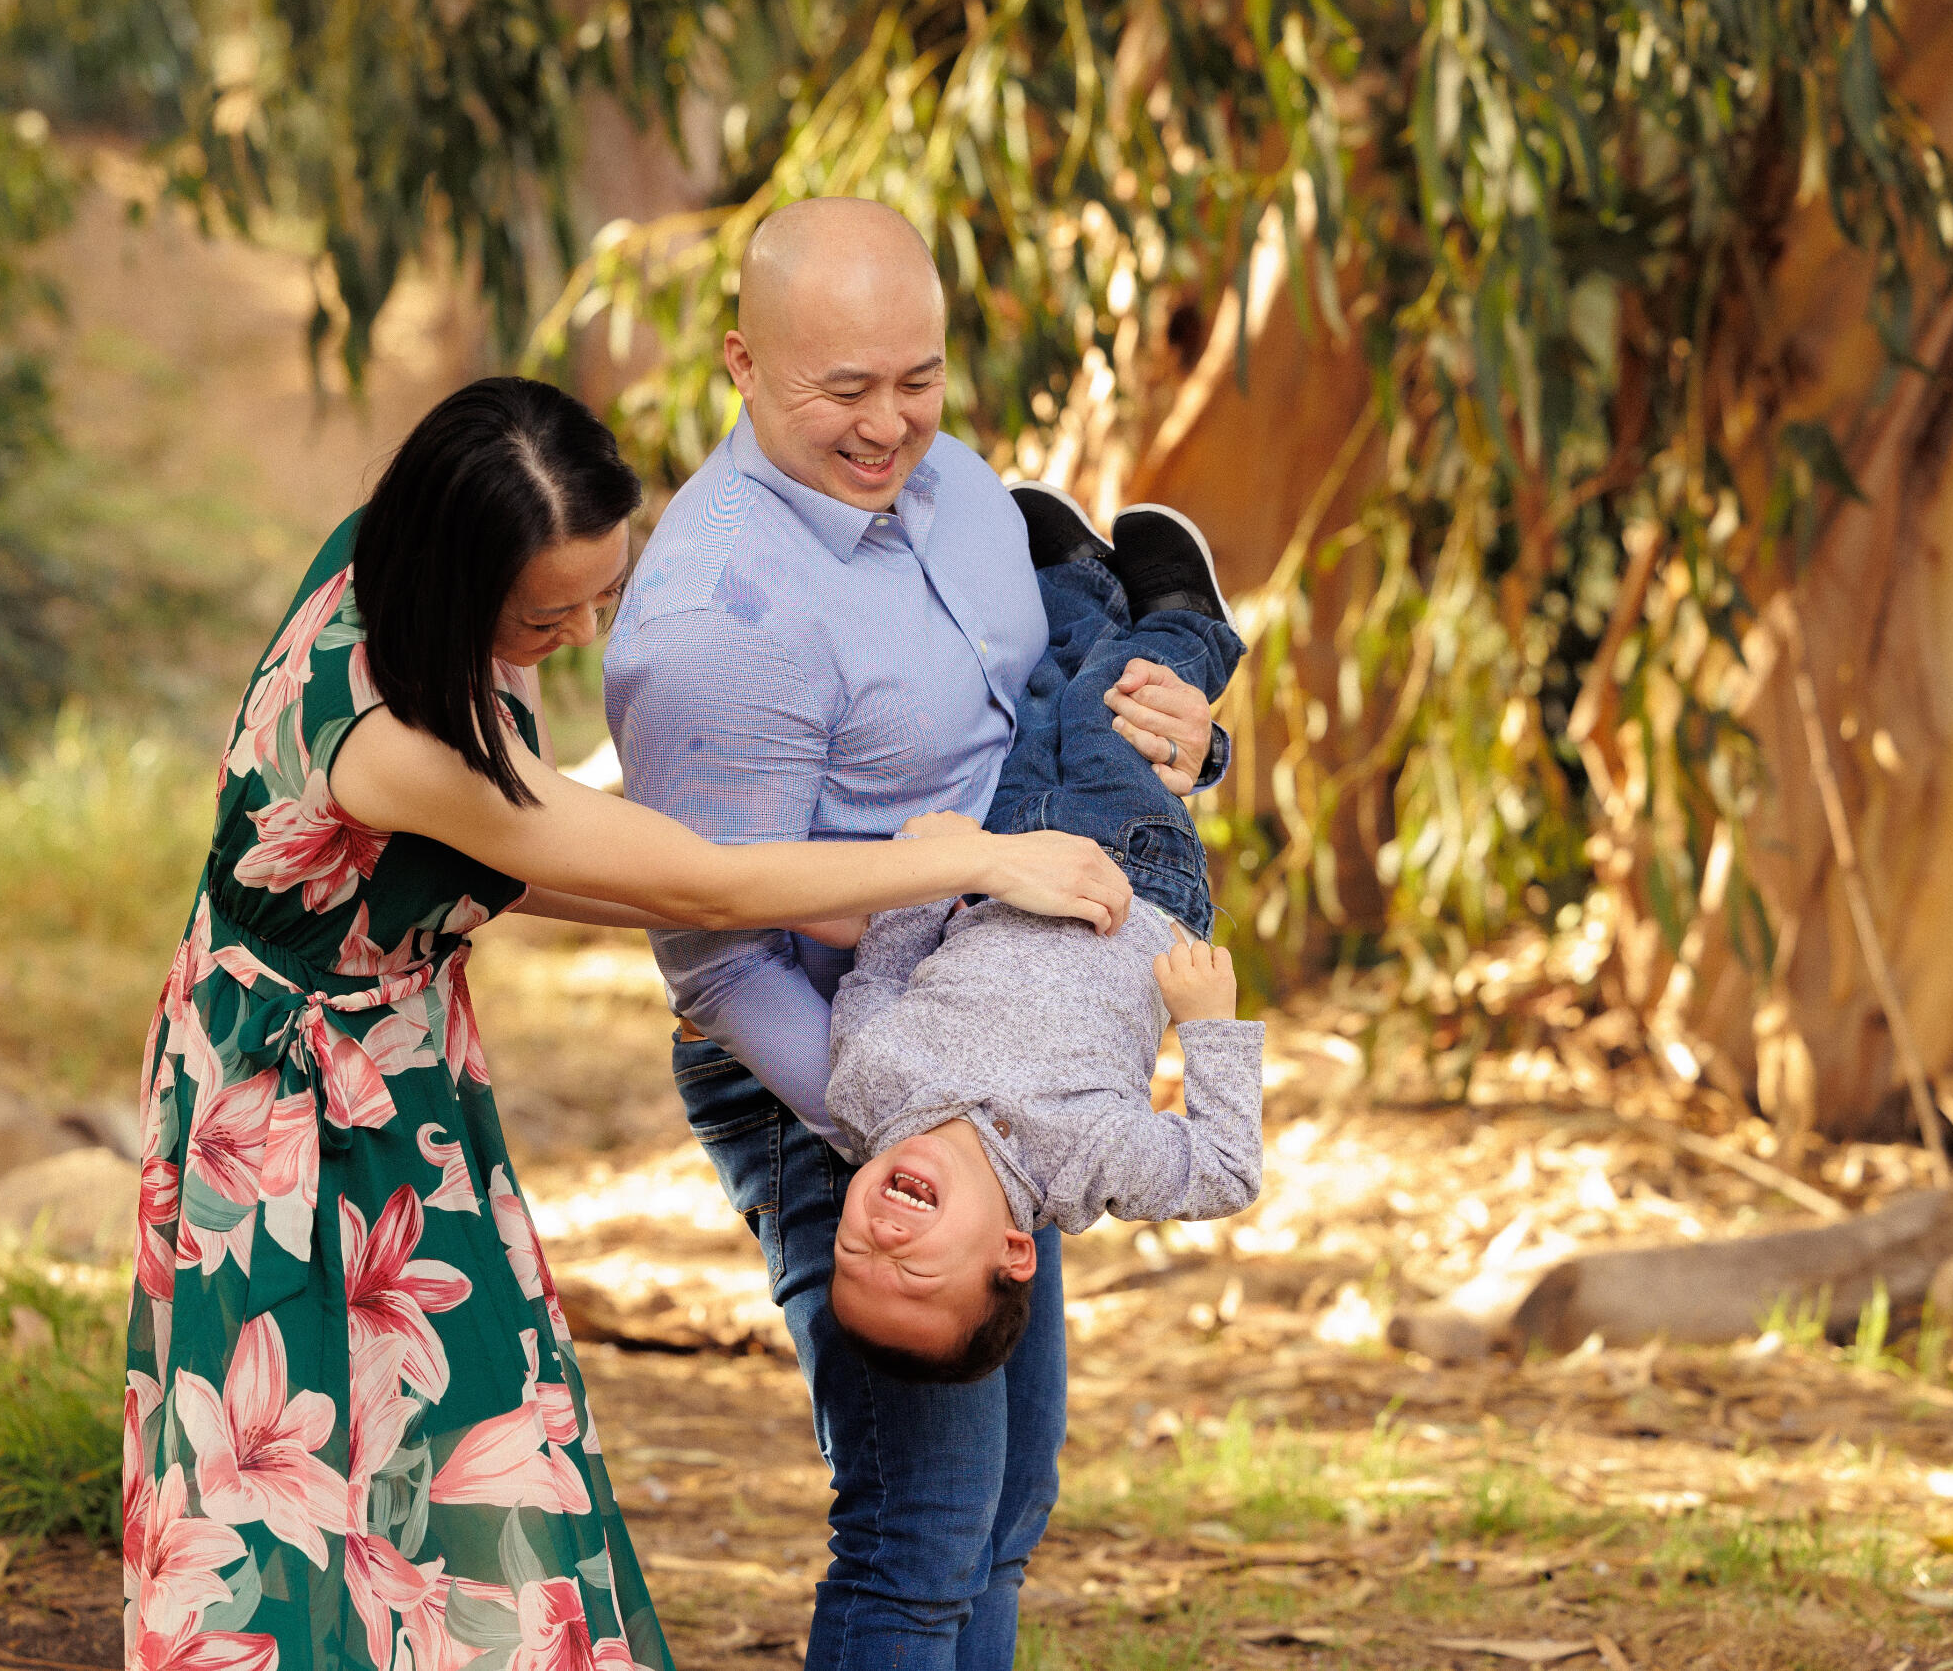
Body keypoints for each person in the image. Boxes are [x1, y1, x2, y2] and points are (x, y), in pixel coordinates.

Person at [121, 375, 1133, 1671]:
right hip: (276, 1104)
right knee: (293, 1448)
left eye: (605, 592)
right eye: (549, 612)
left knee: (457, 1412)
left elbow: (539, 869)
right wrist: (971, 863)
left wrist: (850, 905)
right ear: (456, 566)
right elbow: (692, 878)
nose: (587, 630)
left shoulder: (387, 560)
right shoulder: (398, 744)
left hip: (397, 1048)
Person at [602, 199, 1233, 1671]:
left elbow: (1049, 721)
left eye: (920, 378)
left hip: (1001, 1041)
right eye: (844, 391)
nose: (893, 427)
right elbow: (711, 942)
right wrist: (919, 1120)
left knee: (1010, 1500)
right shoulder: (718, 619)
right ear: (742, 363)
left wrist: (1190, 742)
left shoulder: (955, 485)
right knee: (920, 1526)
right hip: (835, 1059)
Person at [818, 490, 1266, 1383]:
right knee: (1111, 713)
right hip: (1136, 877)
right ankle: (1189, 623)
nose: (882, 1239)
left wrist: (942, 867)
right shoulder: (1086, 1161)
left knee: (1033, 706)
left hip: (1005, 852)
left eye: (853, 1257)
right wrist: (1209, 1024)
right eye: (913, 1268)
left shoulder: (866, 1093)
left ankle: (1075, 584)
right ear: (1014, 1253)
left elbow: (881, 976)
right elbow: (1226, 1172)